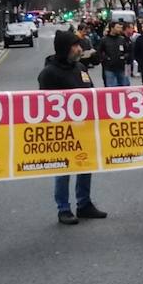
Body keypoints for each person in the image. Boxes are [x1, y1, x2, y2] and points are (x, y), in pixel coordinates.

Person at [39, 31, 107, 224]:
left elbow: (91, 92)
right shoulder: (49, 73)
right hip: (64, 131)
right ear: (64, 49)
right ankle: (63, 208)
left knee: (86, 164)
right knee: (64, 169)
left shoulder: (80, 67)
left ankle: (84, 204)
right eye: (75, 46)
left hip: (84, 128)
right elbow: (45, 104)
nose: (79, 49)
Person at [99, 21, 131, 87]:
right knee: (112, 88)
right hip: (109, 68)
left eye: (120, 27)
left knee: (124, 86)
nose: (120, 29)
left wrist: (124, 57)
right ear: (112, 28)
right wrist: (106, 58)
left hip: (121, 67)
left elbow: (128, 51)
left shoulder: (122, 39)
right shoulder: (104, 40)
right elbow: (99, 52)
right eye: (118, 27)